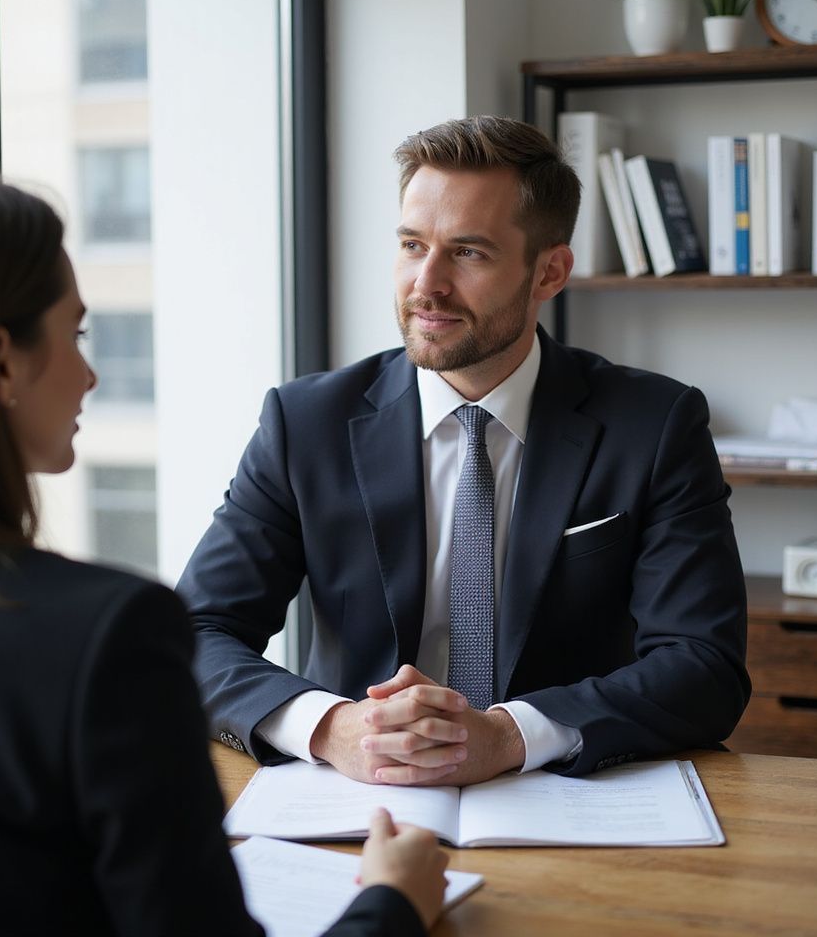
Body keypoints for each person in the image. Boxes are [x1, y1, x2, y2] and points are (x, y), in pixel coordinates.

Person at [0, 175, 447, 936]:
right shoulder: (99, 637)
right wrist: (392, 901)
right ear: (1, 362)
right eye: (75, 335)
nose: (88, 376)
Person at [180, 115, 750, 787]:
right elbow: (192, 633)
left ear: (549, 272)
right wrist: (332, 728)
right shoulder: (305, 423)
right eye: (412, 245)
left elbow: (703, 664)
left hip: (566, 790)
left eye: (469, 252)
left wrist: (509, 736)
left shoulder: (654, 426)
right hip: (358, 793)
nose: (427, 283)